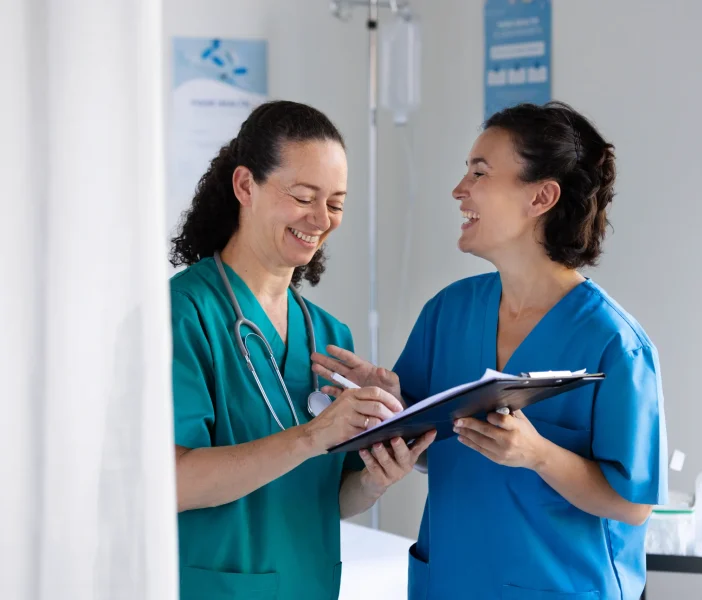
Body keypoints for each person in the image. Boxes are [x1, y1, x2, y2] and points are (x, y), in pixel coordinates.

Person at [312, 101, 667, 599]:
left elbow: (633, 504)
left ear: (541, 196)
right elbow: (428, 453)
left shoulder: (615, 344)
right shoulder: (448, 313)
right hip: (453, 581)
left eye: (479, 172)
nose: (460, 190)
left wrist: (538, 454)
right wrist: (397, 406)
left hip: (559, 587)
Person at [168, 100, 436, 600]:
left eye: (335, 203)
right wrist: (313, 435)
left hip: (310, 584)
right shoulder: (185, 314)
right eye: (303, 197)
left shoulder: (329, 338)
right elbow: (173, 483)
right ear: (245, 186)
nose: (320, 219)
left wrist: (381, 474)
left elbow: (326, 498)